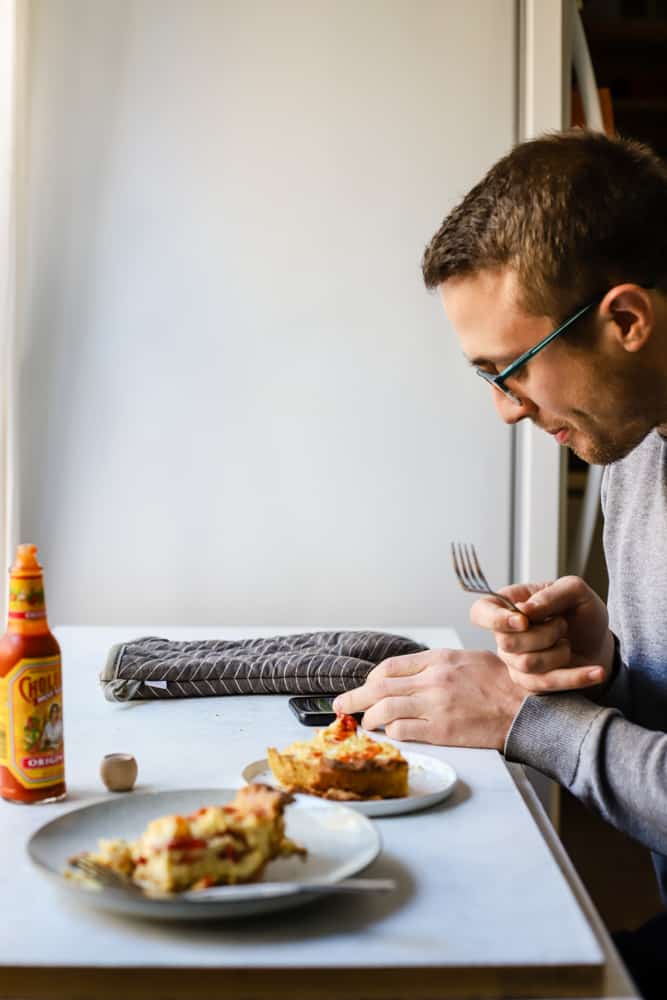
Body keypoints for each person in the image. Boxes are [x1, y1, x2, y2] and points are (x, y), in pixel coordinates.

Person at [333, 129, 667, 998]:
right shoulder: (630, 447)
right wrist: (604, 657)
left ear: (625, 320)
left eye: (510, 370)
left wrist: (528, 720)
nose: (504, 411)